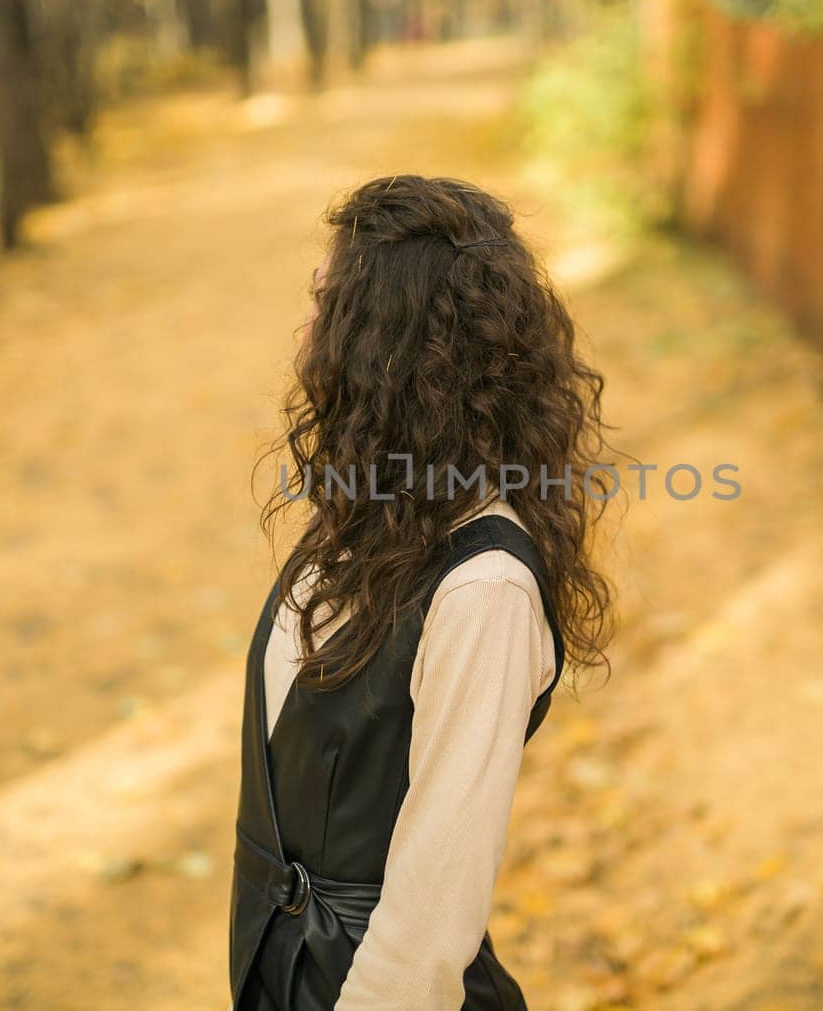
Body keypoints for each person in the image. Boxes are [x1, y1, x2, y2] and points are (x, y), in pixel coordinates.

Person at [229, 174, 614, 1009]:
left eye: (324, 304)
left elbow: (431, 921)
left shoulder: (486, 589)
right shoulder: (371, 518)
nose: (305, 327)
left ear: (382, 341)